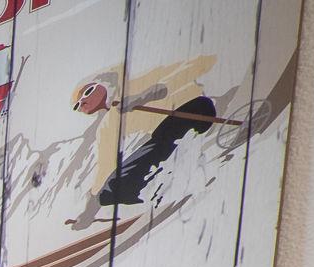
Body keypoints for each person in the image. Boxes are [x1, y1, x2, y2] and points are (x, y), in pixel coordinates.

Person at [67, 57, 228, 229]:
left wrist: (143, 96)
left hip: (196, 109)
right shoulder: (106, 126)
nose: (83, 103)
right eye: (78, 105)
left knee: (156, 142)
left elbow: (182, 75)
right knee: (111, 186)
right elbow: (105, 167)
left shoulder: (131, 86)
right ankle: (158, 188)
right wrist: (89, 212)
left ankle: (166, 181)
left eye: (88, 92)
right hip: (167, 134)